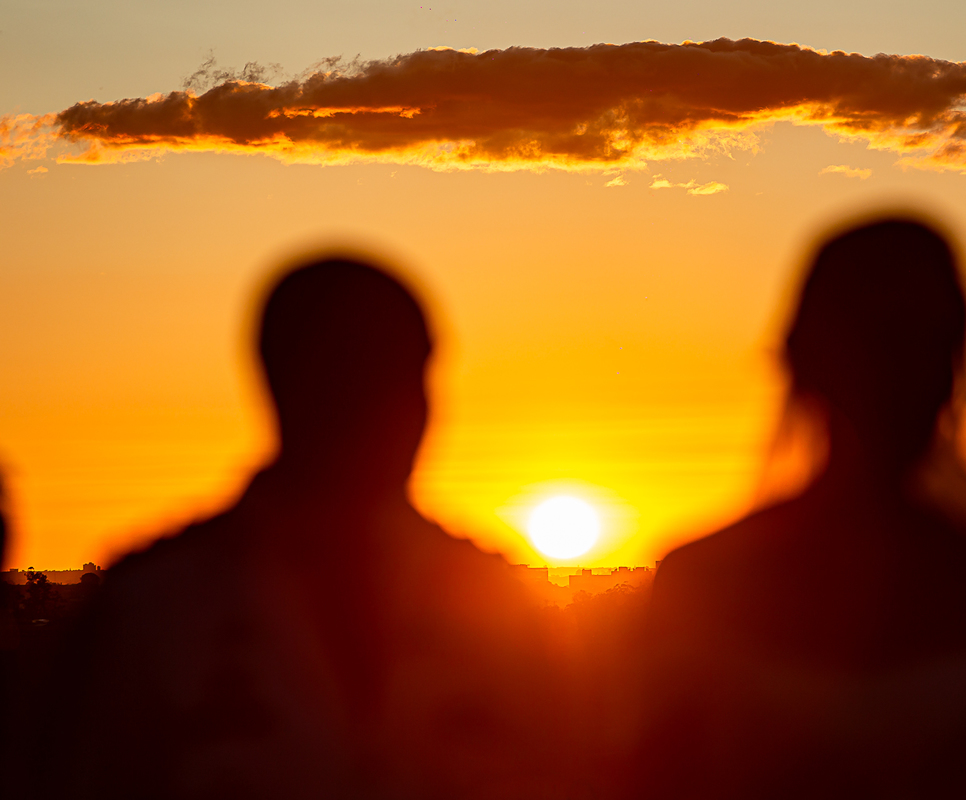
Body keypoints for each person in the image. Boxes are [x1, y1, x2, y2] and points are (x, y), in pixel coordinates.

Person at [635, 219, 966, 799]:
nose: (906, 380)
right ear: (811, 363)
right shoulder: (701, 582)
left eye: (932, 346)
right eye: (880, 342)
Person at [34, 257, 567, 800]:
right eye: (362, 373)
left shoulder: (496, 603)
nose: (408, 408)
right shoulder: (152, 613)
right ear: (288, 381)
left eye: (413, 375)